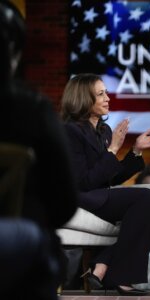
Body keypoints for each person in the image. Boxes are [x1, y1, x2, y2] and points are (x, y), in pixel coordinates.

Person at [60, 73, 150, 295]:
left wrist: (136, 151)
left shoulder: (103, 130)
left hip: (100, 195)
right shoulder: (70, 131)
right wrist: (112, 150)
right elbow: (84, 181)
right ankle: (114, 273)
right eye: (100, 94)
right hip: (82, 196)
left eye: (106, 92)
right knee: (144, 196)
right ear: (83, 99)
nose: (107, 98)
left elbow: (111, 176)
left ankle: (105, 268)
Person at [0, 1, 78, 299]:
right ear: (13, 53)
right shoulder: (32, 109)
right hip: (13, 246)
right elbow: (65, 204)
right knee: (38, 242)